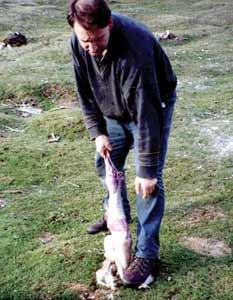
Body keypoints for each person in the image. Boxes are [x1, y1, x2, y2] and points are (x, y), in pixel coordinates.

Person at [67, 0, 177, 287]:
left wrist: (147, 169)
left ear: (110, 25)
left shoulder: (136, 51)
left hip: (152, 107)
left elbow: (147, 114)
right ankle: (116, 215)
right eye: (85, 40)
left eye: (98, 39)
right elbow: (84, 90)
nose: (91, 47)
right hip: (113, 108)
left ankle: (146, 254)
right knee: (105, 162)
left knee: (148, 184)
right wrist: (98, 131)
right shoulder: (80, 41)